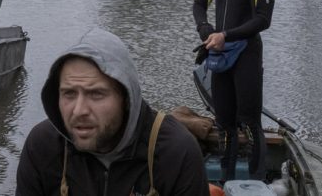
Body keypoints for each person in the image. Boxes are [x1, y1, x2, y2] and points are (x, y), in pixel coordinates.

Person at [16, 28, 209, 195]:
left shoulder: (176, 152)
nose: (79, 110)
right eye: (69, 93)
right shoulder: (42, 146)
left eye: (96, 94)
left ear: (126, 98)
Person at [192, 0, 276, 182]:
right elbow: (198, 5)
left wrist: (225, 35)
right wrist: (205, 30)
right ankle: (226, 179)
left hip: (247, 56)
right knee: (224, 122)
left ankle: (255, 179)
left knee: (250, 123)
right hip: (220, 56)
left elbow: (263, 20)